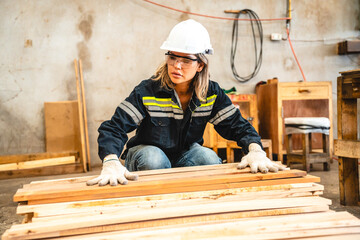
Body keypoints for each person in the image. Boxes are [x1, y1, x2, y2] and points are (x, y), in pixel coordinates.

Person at [87, 19, 285, 187]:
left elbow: (237, 125)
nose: (177, 66)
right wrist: (110, 159)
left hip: (184, 154)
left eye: (186, 60)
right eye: (172, 57)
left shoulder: (211, 93)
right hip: (146, 155)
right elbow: (114, 128)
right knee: (154, 159)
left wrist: (255, 149)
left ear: (200, 65)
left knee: (207, 158)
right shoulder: (147, 91)